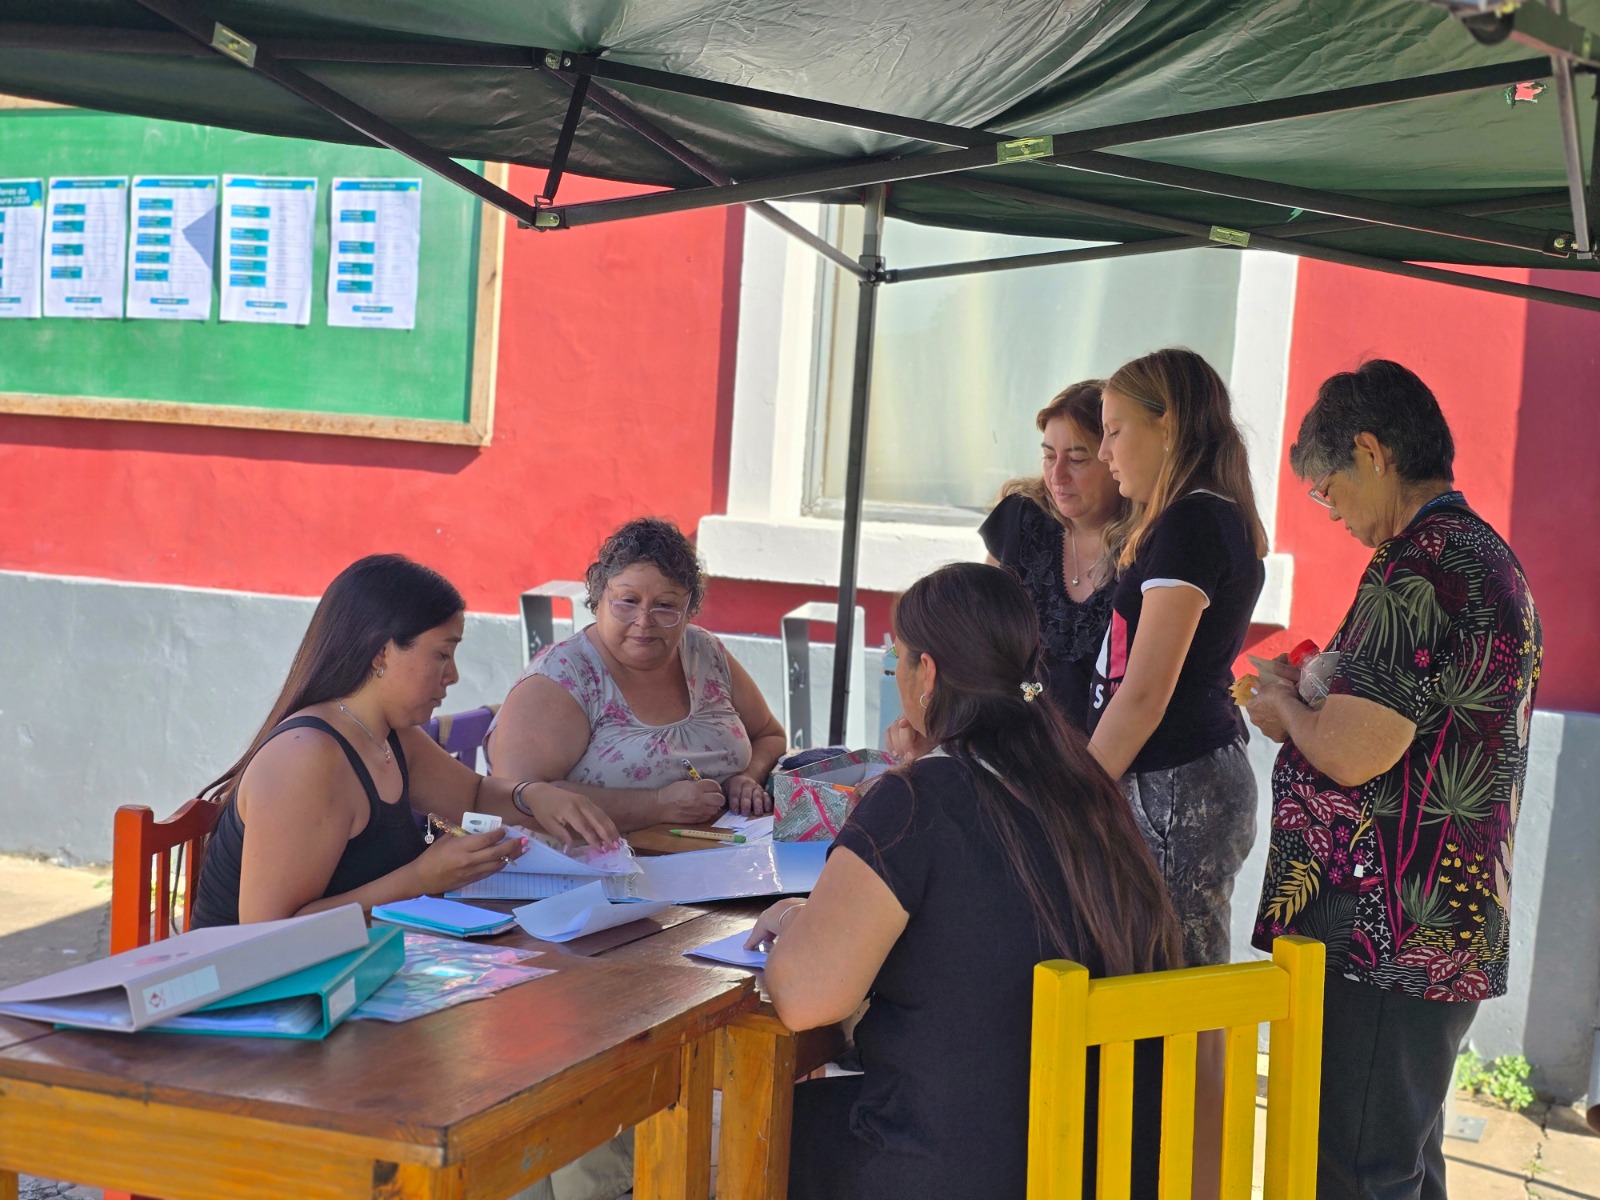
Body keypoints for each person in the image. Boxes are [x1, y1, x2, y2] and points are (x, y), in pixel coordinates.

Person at [747, 562, 1184, 1200]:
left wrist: (796, 918)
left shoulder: (919, 800)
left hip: (953, 1168)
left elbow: (804, 997)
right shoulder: (1088, 792)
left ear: (927, 673)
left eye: (897, 661)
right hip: (1100, 1167)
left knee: (748, 1130)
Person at [1244, 361, 1542, 1200]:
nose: (1331, 512)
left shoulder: (1420, 562)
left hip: (1388, 932)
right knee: (1398, 1166)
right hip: (1430, 925)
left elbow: (1353, 750)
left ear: (1372, 453)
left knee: (1359, 1174)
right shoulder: (1480, 552)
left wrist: (1284, 708)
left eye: (1327, 487)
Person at [191, 554, 619, 929]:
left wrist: (534, 796)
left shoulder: (389, 736)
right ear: (382, 653)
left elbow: (472, 796)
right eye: (441, 654)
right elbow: (267, 933)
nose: (453, 675)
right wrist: (420, 880)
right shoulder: (306, 757)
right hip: (250, 989)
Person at [1086, 348, 1267, 968]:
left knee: (1175, 977)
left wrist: (1079, 793)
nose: (1104, 452)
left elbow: (1144, 694)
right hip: (1173, 776)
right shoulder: (1197, 518)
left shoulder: (1193, 521)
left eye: (1114, 431)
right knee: (1168, 970)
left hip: (1175, 781)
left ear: (1169, 426)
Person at [488, 517, 786, 831]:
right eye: (628, 601)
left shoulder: (704, 652)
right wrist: (657, 805)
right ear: (599, 599)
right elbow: (512, 801)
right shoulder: (563, 677)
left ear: (688, 610)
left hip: (723, 849)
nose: (644, 620)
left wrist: (747, 777)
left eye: (665, 605)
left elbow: (769, 734)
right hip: (596, 858)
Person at [980, 379, 1131, 729]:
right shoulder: (1022, 518)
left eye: (1077, 459)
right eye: (1049, 456)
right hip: (1024, 736)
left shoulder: (1151, 542)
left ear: (1116, 460)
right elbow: (982, 631)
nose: (1057, 476)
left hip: (1116, 747)